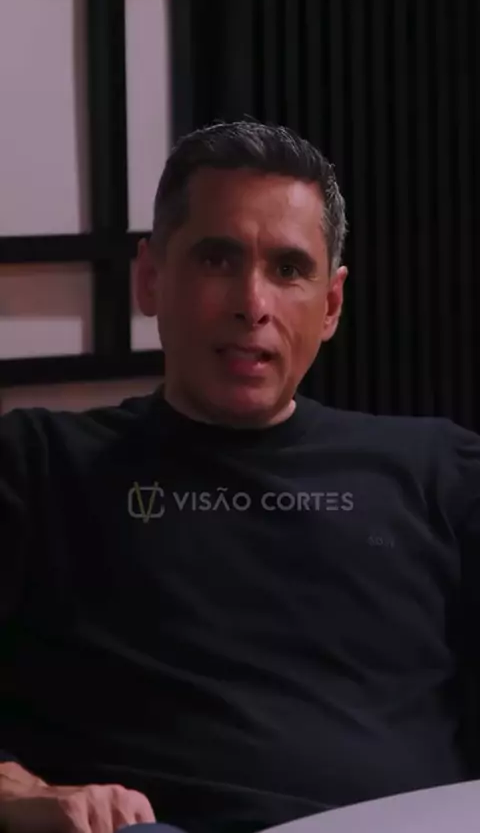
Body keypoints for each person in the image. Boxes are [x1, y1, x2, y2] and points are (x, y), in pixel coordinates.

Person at [1, 119, 480, 833]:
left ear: (331, 304)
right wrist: (22, 796)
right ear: (150, 278)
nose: (252, 304)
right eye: (217, 259)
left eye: (288, 269)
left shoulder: (439, 470)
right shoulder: (39, 466)